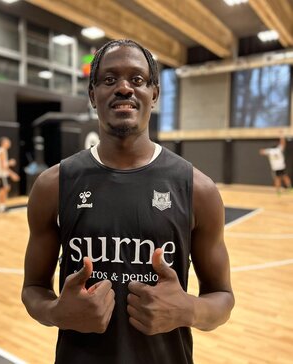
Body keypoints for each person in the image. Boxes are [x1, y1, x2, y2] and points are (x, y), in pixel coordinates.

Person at [22, 39, 235, 364]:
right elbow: (33, 288)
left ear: (155, 93)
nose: (123, 88)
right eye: (109, 80)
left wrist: (188, 308)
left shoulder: (198, 189)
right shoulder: (53, 185)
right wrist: (56, 312)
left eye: (137, 79)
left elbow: (222, 299)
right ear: (93, 95)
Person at [0, 137, 19, 212]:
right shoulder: (2, 150)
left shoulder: (1, 150)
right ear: (3, 143)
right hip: (1, 174)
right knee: (5, 188)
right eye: (7, 142)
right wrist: (10, 163)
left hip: (1, 174)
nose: (9, 143)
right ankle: (0, 204)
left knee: (5, 188)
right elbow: (3, 165)